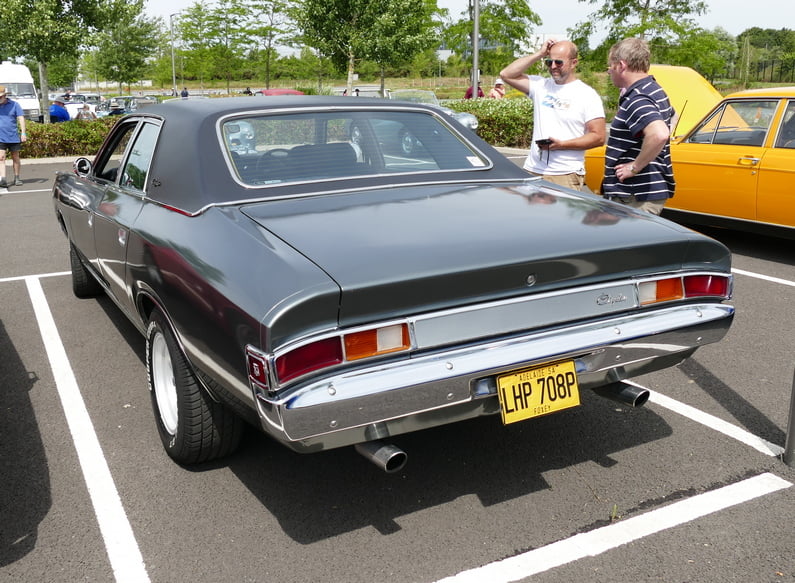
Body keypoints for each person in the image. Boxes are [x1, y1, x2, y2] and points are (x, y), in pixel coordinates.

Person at [500, 39, 606, 191]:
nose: (553, 67)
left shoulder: (587, 94)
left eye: (559, 62)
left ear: (574, 63)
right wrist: (539, 54)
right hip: (533, 170)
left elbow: (598, 137)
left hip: (565, 174)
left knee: (561, 215)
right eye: (549, 62)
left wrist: (562, 145)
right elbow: (506, 74)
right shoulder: (541, 86)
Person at [601, 37, 675, 215]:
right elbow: (673, 115)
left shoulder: (638, 98)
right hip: (642, 192)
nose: (609, 72)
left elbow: (659, 134)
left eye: (610, 67)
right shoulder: (653, 88)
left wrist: (635, 167)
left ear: (621, 65)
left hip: (634, 196)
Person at [0, 85, 27, 187]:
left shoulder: (15, 105)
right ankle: (3, 179)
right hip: (0, 137)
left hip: (13, 136)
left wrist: (23, 132)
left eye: (0, 97)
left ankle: (17, 177)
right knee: (1, 158)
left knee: (15, 157)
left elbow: (20, 118)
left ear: (5, 96)